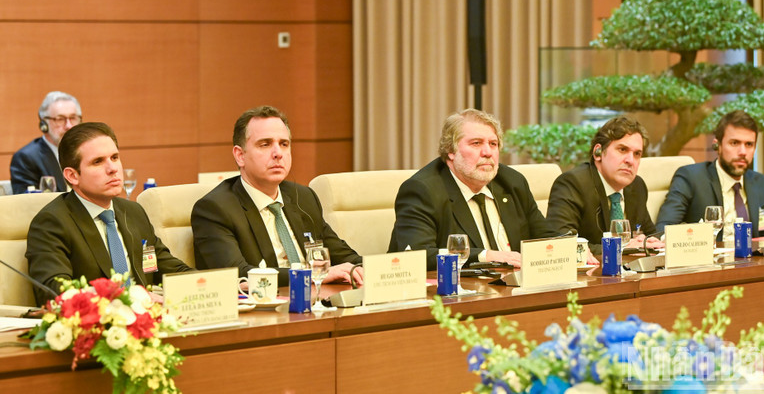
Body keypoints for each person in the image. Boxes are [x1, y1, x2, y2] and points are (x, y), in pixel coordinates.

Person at [191, 106, 363, 287]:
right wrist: (311, 275)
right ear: (240, 156)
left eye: (284, 144)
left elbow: (344, 256)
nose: (278, 154)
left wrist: (360, 269)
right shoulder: (215, 209)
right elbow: (238, 275)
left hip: (318, 303)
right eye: (265, 144)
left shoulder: (303, 197)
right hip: (261, 310)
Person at [25, 122, 192, 305]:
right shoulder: (52, 222)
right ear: (73, 176)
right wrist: (130, 299)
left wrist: (212, 286)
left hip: (147, 323)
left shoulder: (132, 212)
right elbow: (55, 292)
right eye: (98, 162)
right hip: (97, 328)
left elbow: (167, 268)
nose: (112, 168)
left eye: (114, 157)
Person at [388, 108, 551, 270]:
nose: (487, 152)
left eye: (493, 144)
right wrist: (485, 256)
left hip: (516, 287)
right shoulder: (422, 190)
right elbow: (418, 255)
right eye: (476, 143)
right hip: (453, 291)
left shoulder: (512, 182)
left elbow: (547, 238)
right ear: (451, 151)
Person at [656, 110, 764, 236]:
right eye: (734, 143)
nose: (743, 152)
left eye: (749, 144)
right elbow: (664, 228)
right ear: (717, 146)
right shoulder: (691, 178)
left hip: (755, 260)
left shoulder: (763, 184)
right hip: (710, 259)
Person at [545, 116, 662, 256]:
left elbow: (650, 234)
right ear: (598, 152)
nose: (631, 160)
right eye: (622, 149)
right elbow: (562, 243)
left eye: (637, 154)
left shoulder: (637, 186)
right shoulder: (573, 184)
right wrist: (623, 248)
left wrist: (651, 242)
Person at [10, 91, 83, 194]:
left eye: (73, 118)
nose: (69, 126)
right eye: (60, 119)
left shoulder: (87, 152)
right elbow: (27, 204)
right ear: (44, 124)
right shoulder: (26, 158)